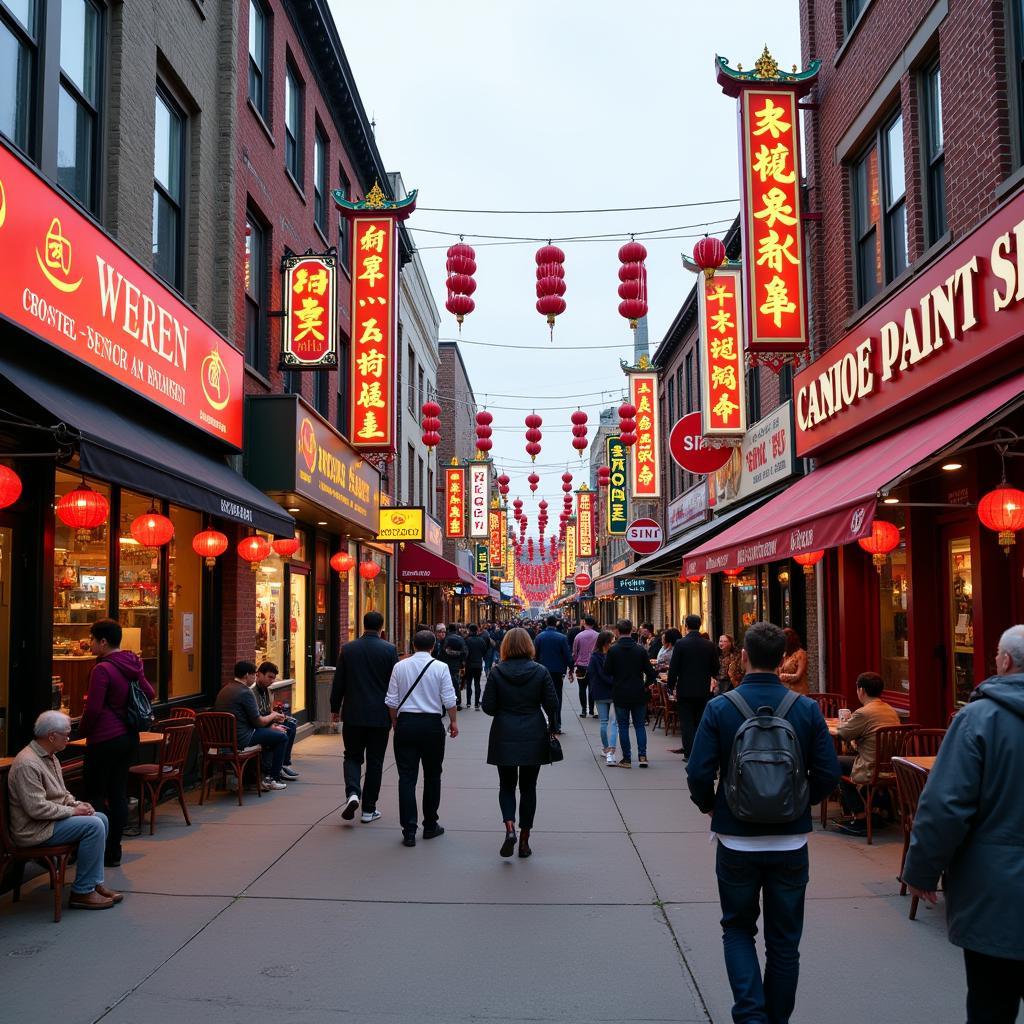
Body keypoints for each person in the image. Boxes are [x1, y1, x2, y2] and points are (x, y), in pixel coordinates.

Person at [686, 622, 840, 1024]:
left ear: (743, 657)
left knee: (737, 930)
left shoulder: (721, 707)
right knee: (785, 944)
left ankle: (750, 1015)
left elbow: (699, 773)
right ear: (780, 661)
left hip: (736, 840)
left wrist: (711, 807)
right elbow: (827, 774)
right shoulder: (805, 709)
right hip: (790, 843)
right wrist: (800, 804)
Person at [903, 624, 1024, 1023]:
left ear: (1004, 661)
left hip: (996, 895)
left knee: (992, 1004)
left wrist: (920, 871)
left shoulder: (979, 719)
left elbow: (945, 806)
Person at [7, 711, 122, 909]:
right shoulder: (27, 763)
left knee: (100, 817)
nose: (68, 739)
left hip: (48, 822)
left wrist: (77, 804)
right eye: (66, 735)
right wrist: (73, 812)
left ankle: (93, 883)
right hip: (34, 830)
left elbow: (61, 793)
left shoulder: (50, 757)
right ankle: (82, 892)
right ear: (52, 736)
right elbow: (36, 808)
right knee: (94, 825)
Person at [79, 617, 156, 867]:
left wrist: (80, 732)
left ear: (103, 641)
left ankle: (97, 850)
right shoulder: (133, 663)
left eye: (92, 639)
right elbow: (151, 693)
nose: (90, 644)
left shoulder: (102, 669)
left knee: (95, 794)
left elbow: (93, 709)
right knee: (118, 792)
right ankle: (114, 851)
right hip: (128, 737)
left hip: (104, 738)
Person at [481, 627, 559, 858]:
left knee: (506, 785)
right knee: (528, 788)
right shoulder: (540, 671)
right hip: (533, 732)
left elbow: (487, 707)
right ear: (529, 646)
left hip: (504, 732)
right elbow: (552, 704)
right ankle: (525, 839)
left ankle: (509, 828)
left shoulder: (497, 672)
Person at [386, 629, 458, 847]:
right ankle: (429, 824)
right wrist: (453, 721)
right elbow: (449, 698)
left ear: (413, 645)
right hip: (431, 725)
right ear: (434, 646)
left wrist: (395, 721)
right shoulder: (441, 667)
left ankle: (409, 829)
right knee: (432, 775)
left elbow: (391, 700)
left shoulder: (400, 666)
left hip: (406, 723)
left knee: (406, 778)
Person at [329, 611, 398, 822]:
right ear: (381, 628)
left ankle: (352, 793)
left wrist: (334, 708)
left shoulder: (348, 649)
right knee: (375, 761)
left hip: (353, 714)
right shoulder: (389, 650)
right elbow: (394, 684)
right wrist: (395, 715)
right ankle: (369, 809)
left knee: (351, 756)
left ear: (363, 625)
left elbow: (338, 681)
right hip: (380, 715)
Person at [831, 671, 902, 836]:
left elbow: (843, 733)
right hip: (890, 766)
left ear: (861, 690)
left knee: (834, 762)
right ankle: (876, 806)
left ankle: (861, 816)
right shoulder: (891, 710)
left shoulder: (864, 712)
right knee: (844, 761)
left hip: (870, 766)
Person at [215, 661, 290, 791]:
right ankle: (273, 778)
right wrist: (273, 716)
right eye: (253, 675)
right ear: (246, 675)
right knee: (281, 736)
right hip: (242, 738)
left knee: (273, 734)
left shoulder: (225, 689)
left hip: (223, 739)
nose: (254, 678)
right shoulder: (245, 692)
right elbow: (259, 722)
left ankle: (261, 775)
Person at [667, 614, 720, 761]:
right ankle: (699, 751)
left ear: (686, 626)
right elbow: (715, 668)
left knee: (687, 722)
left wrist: (670, 685)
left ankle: (689, 753)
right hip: (703, 689)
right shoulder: (709, 645)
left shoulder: (680, 644)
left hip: (685, 689)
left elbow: (674, 667)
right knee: (700, 721)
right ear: (700, 625)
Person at [604, 619, 656, 768]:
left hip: (620, 692)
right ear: (631, 631)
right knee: (640, 726)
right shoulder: (640, 650)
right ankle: (642, 756)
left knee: (623, 726)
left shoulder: (613, 650)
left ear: (618, 632)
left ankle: (626, 759)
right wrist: (645, 686)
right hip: (638, 692)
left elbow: (607, 670)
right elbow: (651, 673)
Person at [252, 662, 299, 781]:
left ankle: (284, 764)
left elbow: (267, 711)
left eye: (273, 678)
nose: (272, 681)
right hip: (258, 726)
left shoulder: (266, 690)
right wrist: (273, 724)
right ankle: (275, 770)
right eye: (269, 677)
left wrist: (277, 717)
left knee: (291, 724)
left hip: (266, 722)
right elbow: (257, 718)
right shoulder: (252, 692)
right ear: (259, 674)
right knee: (283, 732)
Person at [533, 615, 573, 733]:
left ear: (546, 623)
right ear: (556, 623)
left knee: (542, 696)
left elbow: (535, 654)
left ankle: (547, 721)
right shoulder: (561, 637)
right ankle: (556, 724)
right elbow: (567, 655)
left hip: (542, 670)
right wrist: (571, 668)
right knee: (557, 696)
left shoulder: (539, 637)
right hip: (557, 671)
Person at [587, 630, 618, 766]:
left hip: (600, 691)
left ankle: (606, 749)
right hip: (614, 691)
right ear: (607, 642)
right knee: (613, 723)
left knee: (604, 722)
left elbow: (595, 675)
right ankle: (611, 749)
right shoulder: (613, 655)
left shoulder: (594, 657)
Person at [433, 623, 468, 709]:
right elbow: (464, 652)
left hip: (449, 666)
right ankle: (456, 701)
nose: (441, 634)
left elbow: (444, 653)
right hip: (451, 666)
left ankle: (455, 702)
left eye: (443, 631)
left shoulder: (447, 640)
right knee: (454, 683)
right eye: (439, 632)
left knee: (453, 684)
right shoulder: (458, 638)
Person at [571, 616, 600, 718]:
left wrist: (572, 665)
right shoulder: (598, 636)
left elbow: (575, 652)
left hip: (581, 665)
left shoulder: (579, 636)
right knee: (592, 687)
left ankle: (584, 710)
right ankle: (592, 709)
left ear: (584, 623)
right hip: (594, 665)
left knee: (582, 688)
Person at [463, 623, 490, 710]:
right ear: (477, 630)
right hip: (478, 664)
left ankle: (468, 703)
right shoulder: (481, 640)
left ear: (469, 630)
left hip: (469, 664)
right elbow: (485, 651)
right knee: (477, 683)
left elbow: (464, 652)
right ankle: (476, 703)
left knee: (469, 683)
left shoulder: (466, 640)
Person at [778, 628, 809, 694]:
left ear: (789, 642)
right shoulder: (786, 655)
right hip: (787, 692)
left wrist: (783, 676)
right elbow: (779, 671)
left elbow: (798, 676)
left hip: (798, 692)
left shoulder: (801, 654)